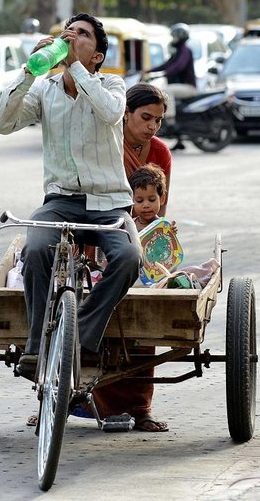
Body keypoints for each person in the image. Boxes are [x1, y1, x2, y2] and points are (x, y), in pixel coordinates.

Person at [0, 13, 142, 376]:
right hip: (60, 202)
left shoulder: (112, 85)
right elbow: (2, 124)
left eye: (82, 35)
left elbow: (110, 114)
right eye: (68, 33)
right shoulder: (46, 89)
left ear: (97, 56)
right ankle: (37, 345)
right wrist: (29, 72)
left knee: (129, 258)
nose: (71, 38)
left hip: (109, 204)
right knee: (35, 248)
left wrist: (76, 70)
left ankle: (81, 336)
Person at [91, 164, 172, 432]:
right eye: (139, 201)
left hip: (149, 293)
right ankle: (72, 403)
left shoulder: (163, 229)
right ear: (130, 201)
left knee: (143, 350)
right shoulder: (123, 227)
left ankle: (140, 411)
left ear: (162, 198)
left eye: (152, 199)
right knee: (95, 347)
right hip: (122, 290)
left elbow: (167, 260)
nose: (146, 206)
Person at [123, 83, 172, 215]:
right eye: (146, 117)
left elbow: (161, 204)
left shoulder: (160, 151)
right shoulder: (108, 144)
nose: (152, 126)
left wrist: (156, 231)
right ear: (126, 112)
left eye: (158, 120)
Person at [145, 23, 196, 125]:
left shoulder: (185, 50)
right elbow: (166, 65)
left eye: (175, 36)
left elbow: (178, 67)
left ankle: (170, 120)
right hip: (181, 86)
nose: (173, 39)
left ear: (181, 36)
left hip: (189, 87)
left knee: (167, 90)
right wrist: (148, 71)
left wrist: (163, 74)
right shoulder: (178, 51)